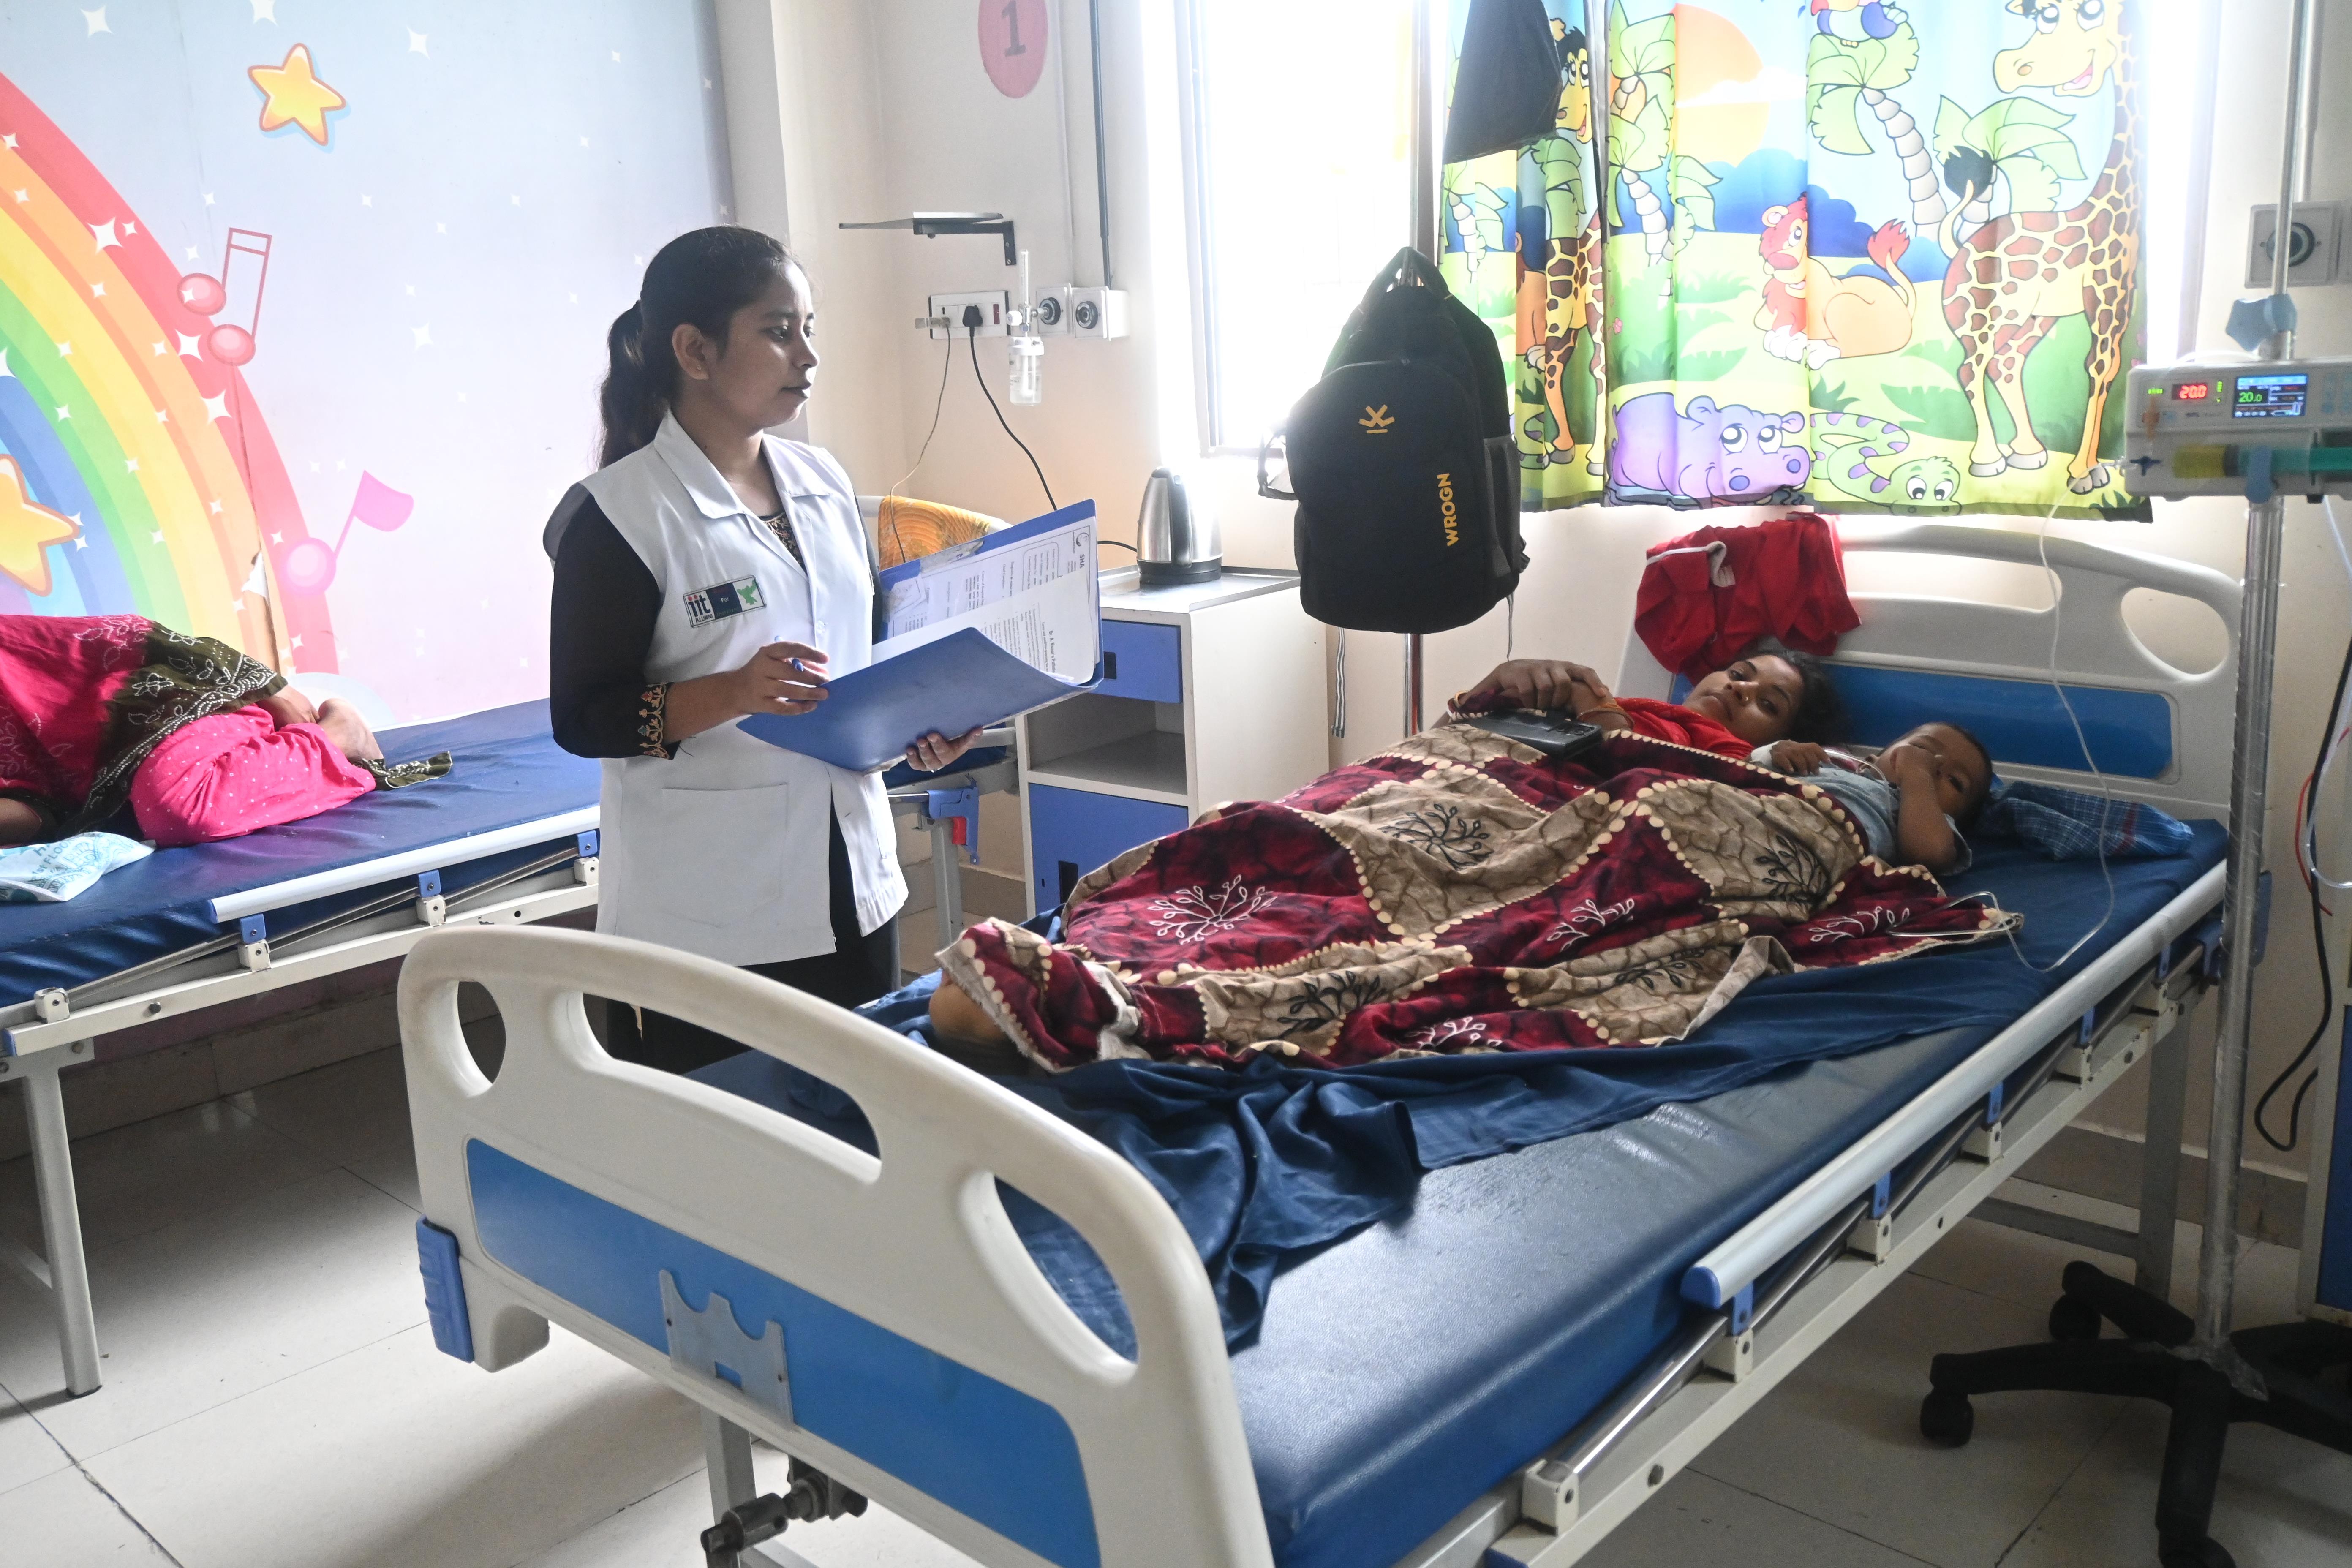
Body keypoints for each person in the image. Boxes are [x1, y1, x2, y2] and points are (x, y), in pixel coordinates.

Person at [547, 226, 980, 1073]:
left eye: (808, 328)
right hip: (711, 909)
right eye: (779, 332)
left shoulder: (821, 480)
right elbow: (585, 717)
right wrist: (734, 691)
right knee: (727, 1133)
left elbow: (859, 654)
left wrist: (920, 727)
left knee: (855, 1110)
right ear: (694, 351)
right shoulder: (620, 515)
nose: (807, 356)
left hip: (854, 879)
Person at [0, 612, 433, 849]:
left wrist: (266, 683)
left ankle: (339, 734)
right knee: (164, 813)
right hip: (117, 783)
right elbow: (43, 814)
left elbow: (128, 636)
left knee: (177, 808)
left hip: (168, 703)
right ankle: (288, 750)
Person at [1451, 643, 1844, 757]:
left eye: (1769, 705)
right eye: (1739, 674)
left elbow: (1633, 763)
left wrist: (1590, 703)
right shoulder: (1631, 709)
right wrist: (1498, 680)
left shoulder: (1726, 755)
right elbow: (1440, 740)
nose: (1740, 689)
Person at [1754, 722, 1991, 876]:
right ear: (1868, 763)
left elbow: (1930, 855)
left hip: (1804, 850)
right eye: (1922, 749)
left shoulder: (1930, 822)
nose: (1933, 765)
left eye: (1955, 781)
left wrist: (1917, 775)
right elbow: (1744, 772)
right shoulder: (1822, 767)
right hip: (1756, 808)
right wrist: (1773, 754)